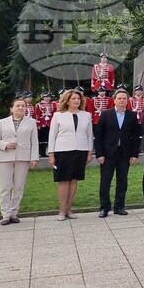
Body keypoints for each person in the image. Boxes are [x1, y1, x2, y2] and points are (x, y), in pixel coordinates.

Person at [0, 97, 39, 225]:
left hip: (23, 157)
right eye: (17, 106)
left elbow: (34, 141)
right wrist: (6, 144)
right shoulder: (3, 122)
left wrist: (34, 157)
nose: (20, 108)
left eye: (23, 106)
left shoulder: (31, 122)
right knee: (5, 187)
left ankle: (14, 212)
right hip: (5, 157)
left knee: (18, 186)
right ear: (11, 108)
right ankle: (5, 214)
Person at [48, 89, 94, 221]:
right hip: (62, 151)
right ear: (67, 101)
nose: (76, 101)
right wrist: (51, 154)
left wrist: (89, 152)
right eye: (73, 98)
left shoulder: (86, 115)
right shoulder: (58, 115)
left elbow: (89, 135)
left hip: (80, 150)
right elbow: (52, 136)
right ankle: (61, 211)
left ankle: (69, 209)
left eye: (78, 99)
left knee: (74, 180)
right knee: (64, 180)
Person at [95, 89, 141, 217]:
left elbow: (135, 137)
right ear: (114, 100)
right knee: (105, 181)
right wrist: (99, 154)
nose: (122, 101)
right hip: (108, 154)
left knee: (122, 180)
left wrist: (134, 154)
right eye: (119, 98)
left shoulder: (132, 115)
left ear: (127, 101)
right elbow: (98, 136)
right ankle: (104, 207)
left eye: (124, 99)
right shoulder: (105, 114)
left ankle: (119, 206)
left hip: (124, 154)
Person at [33, 90, 56, 158]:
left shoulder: (52, 104)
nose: (48, 98)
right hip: (42, 123)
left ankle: (46, 151)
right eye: (46, 97)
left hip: (50, 122)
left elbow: (53, 113)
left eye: (49, 97)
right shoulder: (38, 105)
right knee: (41, 137)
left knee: (48, 137)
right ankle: (41, 152)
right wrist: (38, 124)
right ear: (43, 97)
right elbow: (37, 115)